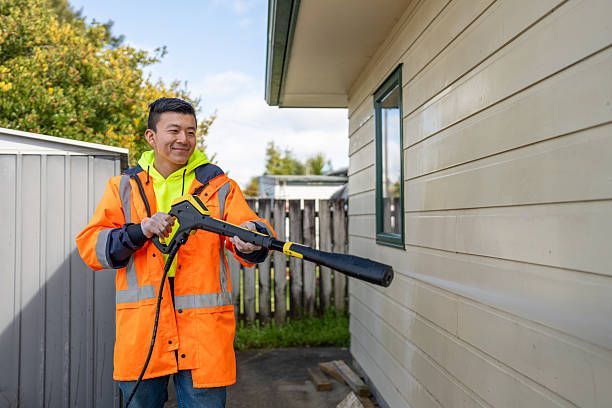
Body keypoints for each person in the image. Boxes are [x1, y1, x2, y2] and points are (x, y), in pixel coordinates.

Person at [76, 97, 274, 407]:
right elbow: (92, 247)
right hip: (143, 335)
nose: (184, 139)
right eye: (174, 130)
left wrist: (252, 238)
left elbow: (253, 231)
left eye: (191, 131)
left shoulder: (220, 187)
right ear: (151, 137)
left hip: (202, 336)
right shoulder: (123, 188)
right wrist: (139, 230)